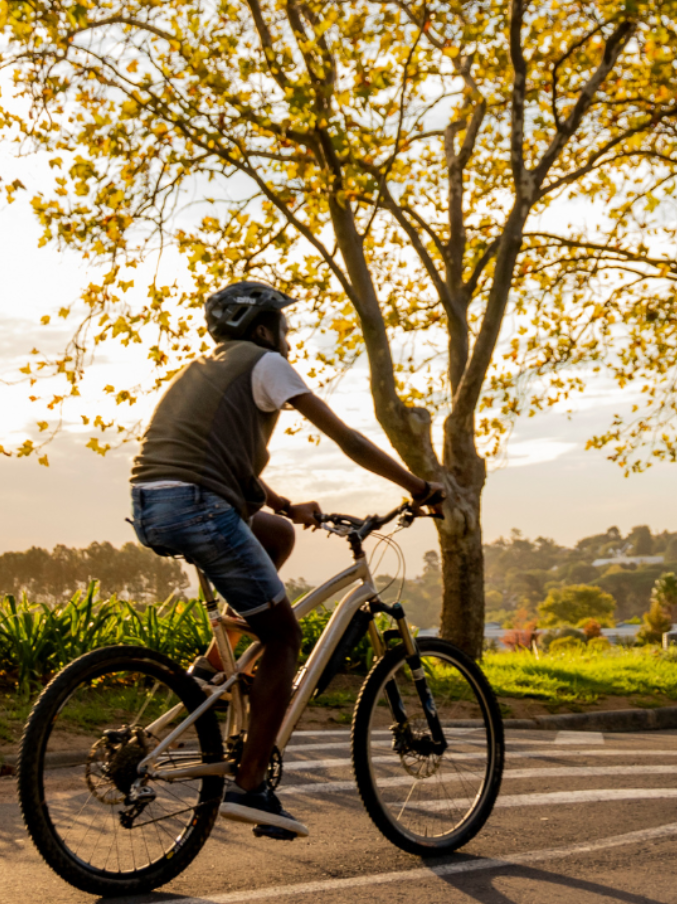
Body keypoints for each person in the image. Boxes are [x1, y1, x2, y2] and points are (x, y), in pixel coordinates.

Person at [129, 280, 443, 841]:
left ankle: (214, 667)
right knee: (284, 638)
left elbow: (209, 454)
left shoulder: (203, 369)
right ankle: (251, 786)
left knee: (273, 533)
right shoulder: (266, 362)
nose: (288, 336)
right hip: (200, 505)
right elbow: (345, 438)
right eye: (283, 324)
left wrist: (279, 503)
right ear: (261, 329)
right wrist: (417, 485)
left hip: (157, 502)